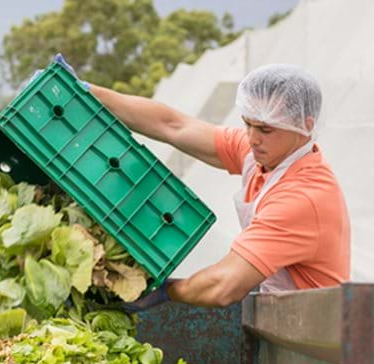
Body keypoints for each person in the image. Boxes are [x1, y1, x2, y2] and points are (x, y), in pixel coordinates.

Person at [49, 56, 350, 308]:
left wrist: (167, 291)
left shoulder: (302, 197)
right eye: (248, 124)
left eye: (266, 130)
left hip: (317, 340)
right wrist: (87, 92)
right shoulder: (263, 155)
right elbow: (174, 125)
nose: (253, 138)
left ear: (305, 126)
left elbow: (224, 286)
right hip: (283, 319)